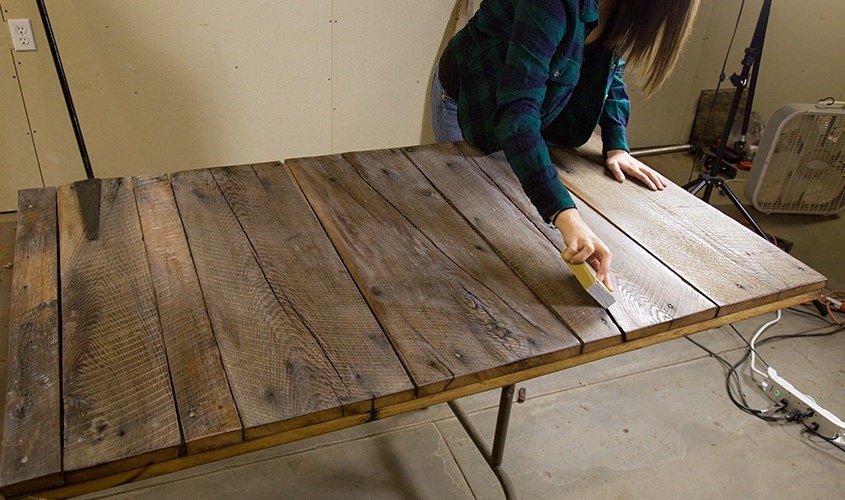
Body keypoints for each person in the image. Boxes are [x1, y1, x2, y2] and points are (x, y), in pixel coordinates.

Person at [430, 0, 700, 290]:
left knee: (515, 214)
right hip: (472, 100)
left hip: (526, 110)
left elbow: (610, 69)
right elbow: (516, 111)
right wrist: (565, 214)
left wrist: (616, 143)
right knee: (470, 224)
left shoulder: (628, 9)